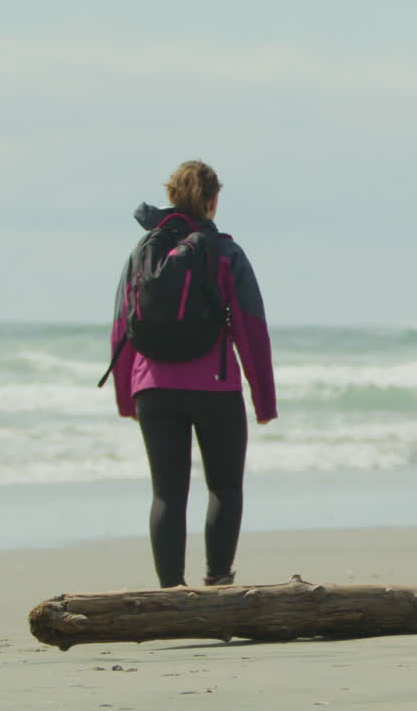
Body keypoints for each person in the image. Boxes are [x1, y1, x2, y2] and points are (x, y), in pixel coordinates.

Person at [107, 160, 277, 588]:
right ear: (213, 199)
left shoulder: (144, 250)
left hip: (153, 389)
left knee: (167, 494)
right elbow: (249, 327)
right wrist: (263, 399)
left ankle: (171, 593)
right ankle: (217, 583)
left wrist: (127, 394)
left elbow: (121, 325)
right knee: (224, 488)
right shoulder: (224, 251)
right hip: (214, 387)